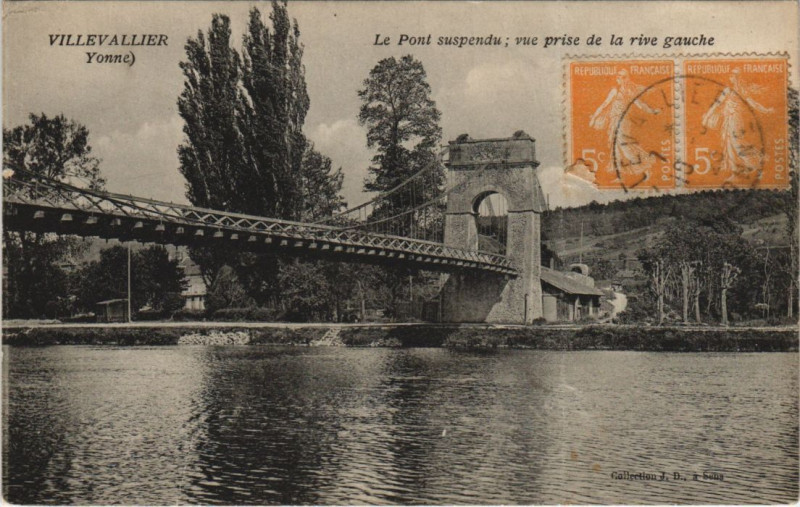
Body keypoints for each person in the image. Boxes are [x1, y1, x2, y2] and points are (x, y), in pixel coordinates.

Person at [701, 68, 773, 180]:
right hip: (728, 120)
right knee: (729, 143)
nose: (730, 78)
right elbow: (716, 104)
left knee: (738, 143)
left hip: (737, 121)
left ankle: (757, 166)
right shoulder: (728, 90)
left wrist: (766, 110)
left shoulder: (742, 91)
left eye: (732, 76)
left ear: (737, 78)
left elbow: (752, 103)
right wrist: (707, 116)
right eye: (730, 76)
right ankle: (735, 172)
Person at [589, 69, 661, 176]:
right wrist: (594, 117)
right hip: (614, 121)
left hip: (624, 122)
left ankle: (644, 165)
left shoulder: (629, 92)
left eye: (624, 77)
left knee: (624, 145)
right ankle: (621, 175)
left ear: (628, 78)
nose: (622, 79)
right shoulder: (615, 90)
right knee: (616, 148)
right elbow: (605, 104)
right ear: (617, 79)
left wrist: (652, 111)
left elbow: (640, 104)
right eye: (619, 77)